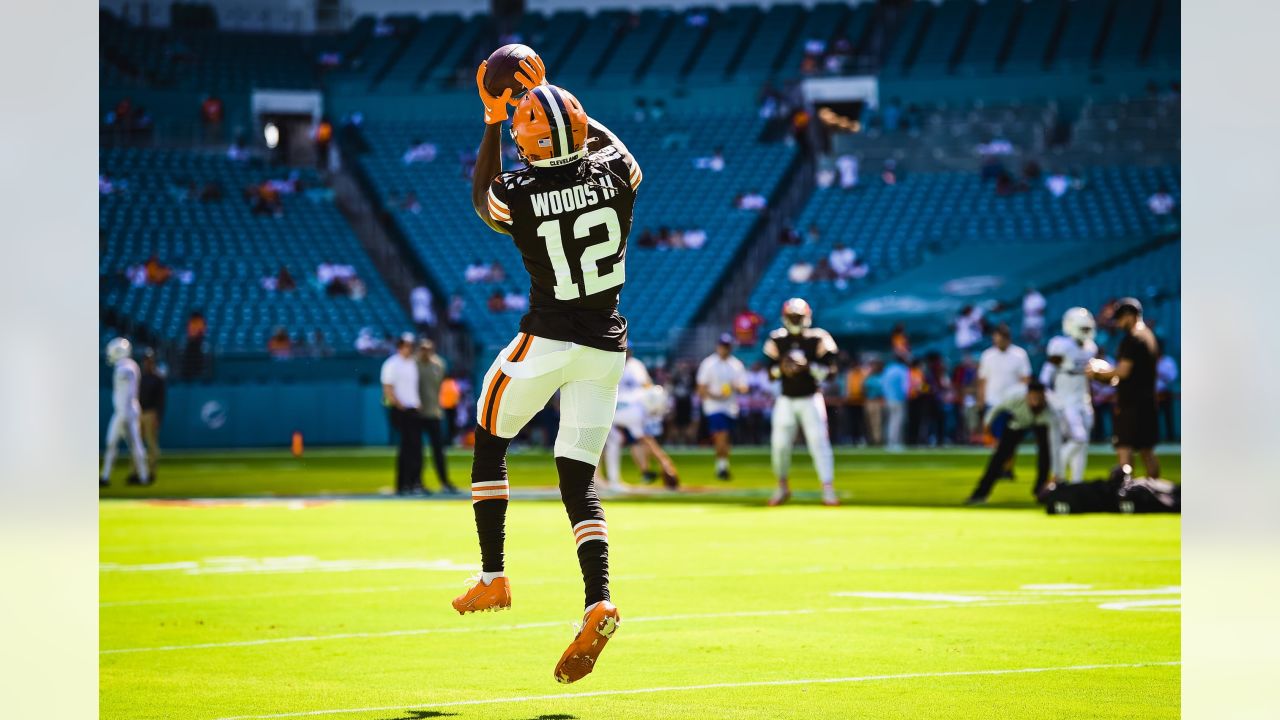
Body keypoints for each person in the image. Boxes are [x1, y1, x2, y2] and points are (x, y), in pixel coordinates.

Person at [451, 58, 633, 684]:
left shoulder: (521, 194)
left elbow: (481, 194)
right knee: (578, 474)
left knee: (488, 433)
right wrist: (551, 101)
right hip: (607, 345)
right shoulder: (615, 174)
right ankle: (598, 599)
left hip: (548, 338)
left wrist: (493, 120)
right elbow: (605, 146)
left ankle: (493, 575)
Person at [762, 298, 840, 506]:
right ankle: (782, 485)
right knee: (779, 446)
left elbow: (830, 372)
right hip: (785, 399)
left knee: (819, 443)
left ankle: (827, 487)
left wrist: (807, 366)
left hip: (810, 397)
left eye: (798, 317)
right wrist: (784, 367)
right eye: (792, 317)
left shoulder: (818, 338)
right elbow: (770, 373)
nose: (795, 320)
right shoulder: (776, 339)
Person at [1088, 298, 1161, 478]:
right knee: (1147, 451)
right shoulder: (1149, 336)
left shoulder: (1133, 338)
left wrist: (1098, 372)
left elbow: (1123, 372)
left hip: (1130, 404)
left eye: (1120, 319)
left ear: (1130, 316)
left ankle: (1127, 494)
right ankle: (1155, 492)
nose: (1119, 324)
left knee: (1124, 450)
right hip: (1147, 401)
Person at [965, 381, 1053, 505]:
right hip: (1017, 423)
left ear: (1044, 396)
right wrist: (987, 428)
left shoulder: (1052, 406)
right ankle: (980, 493)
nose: (1036, 401)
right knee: (999, 456)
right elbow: (996, 410)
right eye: (1033, 397)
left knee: (1046, 455)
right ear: (1027, 395)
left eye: (1039, 398)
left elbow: (1057, 436)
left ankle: (1040, 491)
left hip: (1041, 424)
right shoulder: (1015, 398)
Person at [1040, 308, 1099, 484]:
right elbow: (1046, 375)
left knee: (1083, 445)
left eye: (1088, 329)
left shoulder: (1091, 348)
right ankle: (1056, 473)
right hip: (1066, 402)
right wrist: (1051, 399)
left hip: (1083, 400)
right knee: (1079, 439)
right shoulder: (1062, 346)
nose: (1086, 332)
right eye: (1083, 328)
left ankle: (1076, 483)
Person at [606, 351, 679, 489]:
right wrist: (665, 463)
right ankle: (608, 482)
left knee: (614, 440)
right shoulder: (637, 411)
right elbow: (646, 440)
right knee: (609, 443)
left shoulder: (638, 398)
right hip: (602, 415)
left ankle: (609, 481)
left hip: (609, 415)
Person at [697, 334, 750, 480]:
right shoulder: (708, 364)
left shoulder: (736, 365)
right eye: (722, 346)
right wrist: (715, 396)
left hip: (730, 406)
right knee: (722, 434)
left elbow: (744, 387)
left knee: (725, 438)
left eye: (726, 346)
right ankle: (722, 467)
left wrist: (736, 387)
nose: (724, 349)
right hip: (713, 406)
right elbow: (701, 388)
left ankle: (722, 464)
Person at [100, 338, 151, 487]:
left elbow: (128, 394)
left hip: (125, 411)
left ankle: (143, 476)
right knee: (114, 443)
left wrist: (123, 414)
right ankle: (106, 475)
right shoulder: (130, 366)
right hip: (125, 410)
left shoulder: (125, 368)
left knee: (133, 444)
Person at [381, 334, 423, 496]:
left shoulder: (412, 363)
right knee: (406, 448)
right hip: (401, 410)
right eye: (406, 345)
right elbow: (388, 389)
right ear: (400, 346)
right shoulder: (392, 364)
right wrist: (399, 406)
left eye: (411, 345)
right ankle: (403, 484)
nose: (410, 348)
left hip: (413, 409)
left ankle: (414, 482)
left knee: (415, 448)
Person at [977, 323, 1031, 442]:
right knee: (996, 436)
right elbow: (983, 380)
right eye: (995, 339)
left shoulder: (1019, 354)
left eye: (1000, 339)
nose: (998, 342)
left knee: (1011, 436)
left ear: (1008, 339)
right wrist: (980, 401)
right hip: (993, 401)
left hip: (1013, 403)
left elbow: (1026, 379)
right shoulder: (987, 355)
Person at [417, 340, 458, 495]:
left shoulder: (439, 365)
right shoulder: (414, 364)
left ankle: (444, 482)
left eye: (428, 349)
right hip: (418, 414)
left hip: (434, 412)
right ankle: (418, 482)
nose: (425, 352)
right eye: (422, 349)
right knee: (417, 452)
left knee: (439, 451)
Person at [138, 350, 166, 479]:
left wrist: (158, 417)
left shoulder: (158, 378)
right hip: (139, 412)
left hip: (151, 413)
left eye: (149, 360)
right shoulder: (140, 377)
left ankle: (151, 471)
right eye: (145, 360)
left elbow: (161, 400)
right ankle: (136, 472)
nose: (147, 363)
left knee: (151, 443)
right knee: (136, 443)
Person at [881, 354, 909, 450]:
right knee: (897, 422)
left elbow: (883, 384)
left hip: (888, 399)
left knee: (890, 421)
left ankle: (890, 442)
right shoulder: (903, 370)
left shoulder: (888, 369)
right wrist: (905, 397)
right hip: (899, 399)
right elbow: (905, 386)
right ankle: (895, 443)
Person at [1156, 342, 1178, 442]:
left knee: (1168, 416)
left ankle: (1171, 437)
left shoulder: (1169, 361)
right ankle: (1156, 438)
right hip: (1153, 394)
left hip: (1165, 392)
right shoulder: (1150, 361)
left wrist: (1161, 374)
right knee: (1154, 418)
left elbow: (1173, 377)